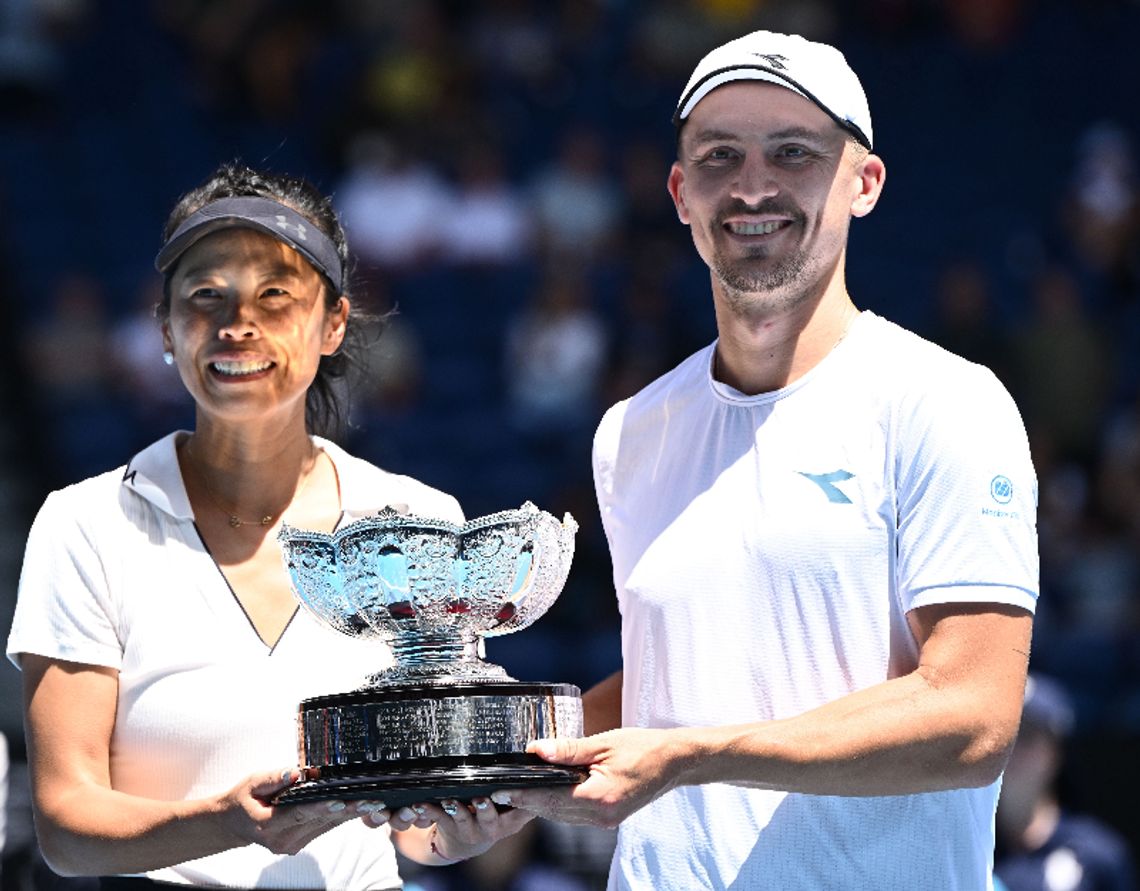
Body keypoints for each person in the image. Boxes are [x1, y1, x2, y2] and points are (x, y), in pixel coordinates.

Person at [490, 29, 1040, 890]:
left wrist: (693, 757)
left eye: (793, 152)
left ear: (865, 183)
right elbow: (680, 673)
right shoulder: (629, 432)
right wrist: (498, 773)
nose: (752, 186)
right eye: (719, 156)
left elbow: (972, 716)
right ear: (679, 192)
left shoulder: (946, 401)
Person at [6, 162, 533, 889]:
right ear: (166, 328)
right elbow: (67, 825)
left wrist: (457, 832)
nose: (237, 324)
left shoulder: (421, 520)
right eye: (205, 297)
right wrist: (228, 820)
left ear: (333, 323)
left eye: (275, 296)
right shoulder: (84, 523)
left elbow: (418, 832)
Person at [995, 674, 1136, 891]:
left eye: (1026, 735)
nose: (1011, 750)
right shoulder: (965, 850)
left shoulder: (1098, 855)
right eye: (1002, 735)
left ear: (1055, 753)